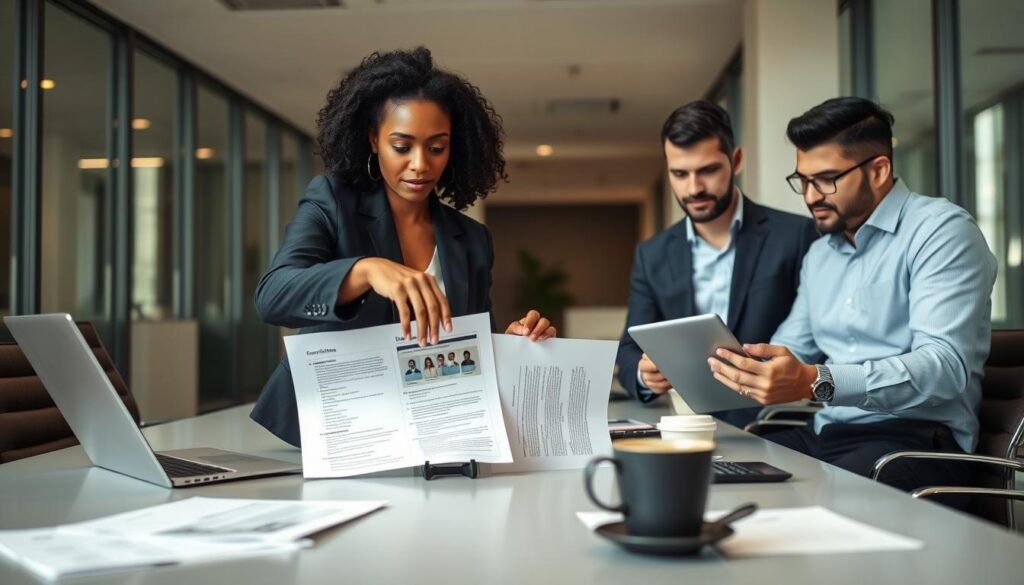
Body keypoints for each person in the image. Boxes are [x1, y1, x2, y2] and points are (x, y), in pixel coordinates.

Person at [252, 47, 557, 446]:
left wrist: (514, 346)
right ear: (373, 140)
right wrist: (365, 271)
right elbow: (273, 296)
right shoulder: (332, 200)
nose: (420, 164)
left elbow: (471, 345)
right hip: (340, 434)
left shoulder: (472, 239)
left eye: (436, 147)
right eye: (402, 146)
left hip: (432, 434)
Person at [708, 97, 996, 494]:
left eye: (825, 179)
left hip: (916, 444)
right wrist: (731, 363)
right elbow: (793, 346)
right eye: (803, 181)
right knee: (716, 472)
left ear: (878, 170)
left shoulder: (940, 231)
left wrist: (816, 381)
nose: (810, 197)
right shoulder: (820, 254)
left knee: (820, 501)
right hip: (828, 434)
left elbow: (943, 367)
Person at [616, 100, 819, 428]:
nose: (694, 188)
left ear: (736, 160)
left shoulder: (796, 236)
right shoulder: (651, 254)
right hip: (689, 424)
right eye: (680, 174)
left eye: (708, 170)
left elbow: (821, 338)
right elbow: (628, 348)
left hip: (779, 425)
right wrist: (643, 373)